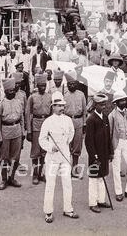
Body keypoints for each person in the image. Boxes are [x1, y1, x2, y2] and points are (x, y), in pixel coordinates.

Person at [39, 91, 79, 223]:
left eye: (62, 105)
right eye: (58, 105)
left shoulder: (68, 120)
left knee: (67, 183)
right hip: (52, 158)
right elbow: (41, 139)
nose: (61, 108)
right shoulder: (47, 122)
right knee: (50, 184)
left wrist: (66, 142)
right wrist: (51, 147)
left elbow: (72, 132)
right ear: (53, 107)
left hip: (65, 156)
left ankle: (68, 209)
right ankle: (48, 212)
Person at [0, 78, 25, 190]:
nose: (12, 92)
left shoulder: (19, 102)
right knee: (4, 158)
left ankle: (11, 178)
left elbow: (21, 119)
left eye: (13, 90)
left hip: (16, 131)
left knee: (15, 157)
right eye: (9, 91)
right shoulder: (0, 105)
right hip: (5, 132)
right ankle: (4, 179)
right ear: (5, 91)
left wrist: (23, 133)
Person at [85, 93, 113, 212]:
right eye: (101, 104)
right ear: (95, 105)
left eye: (105, 104)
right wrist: (94, 156)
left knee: (102, 177)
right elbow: (88, 141)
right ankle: (93, 203)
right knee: (93, 179)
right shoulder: (91, 119)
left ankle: (101, 200)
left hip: (104, 154)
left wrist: (110, 152)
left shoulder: (105, 117)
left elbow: (108, 137)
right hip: (95, 155)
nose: (104, 107)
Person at [26, 74, 51, 185]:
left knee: (44, 151)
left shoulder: (49, 96)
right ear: (37, 85)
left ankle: (42, 174)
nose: (42, 88)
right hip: (36, 125)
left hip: (46, 125)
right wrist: (29, 131)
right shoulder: (32, 97)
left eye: (44, 85)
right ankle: (35, 174)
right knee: (36, 152)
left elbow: (51, 114)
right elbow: (28, 114)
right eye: (40, 85)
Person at [62, 70, 86, 178]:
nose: (71, 85)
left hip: (78, 122)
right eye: (69, 84)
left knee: (77, 146)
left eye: (73, 83)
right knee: (67, 145)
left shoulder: (81, 95)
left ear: (76, 84)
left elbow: (85, 111)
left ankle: (75, 167)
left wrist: (84, 124)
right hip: (67, 122)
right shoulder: (64, 95)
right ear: (67, 85)